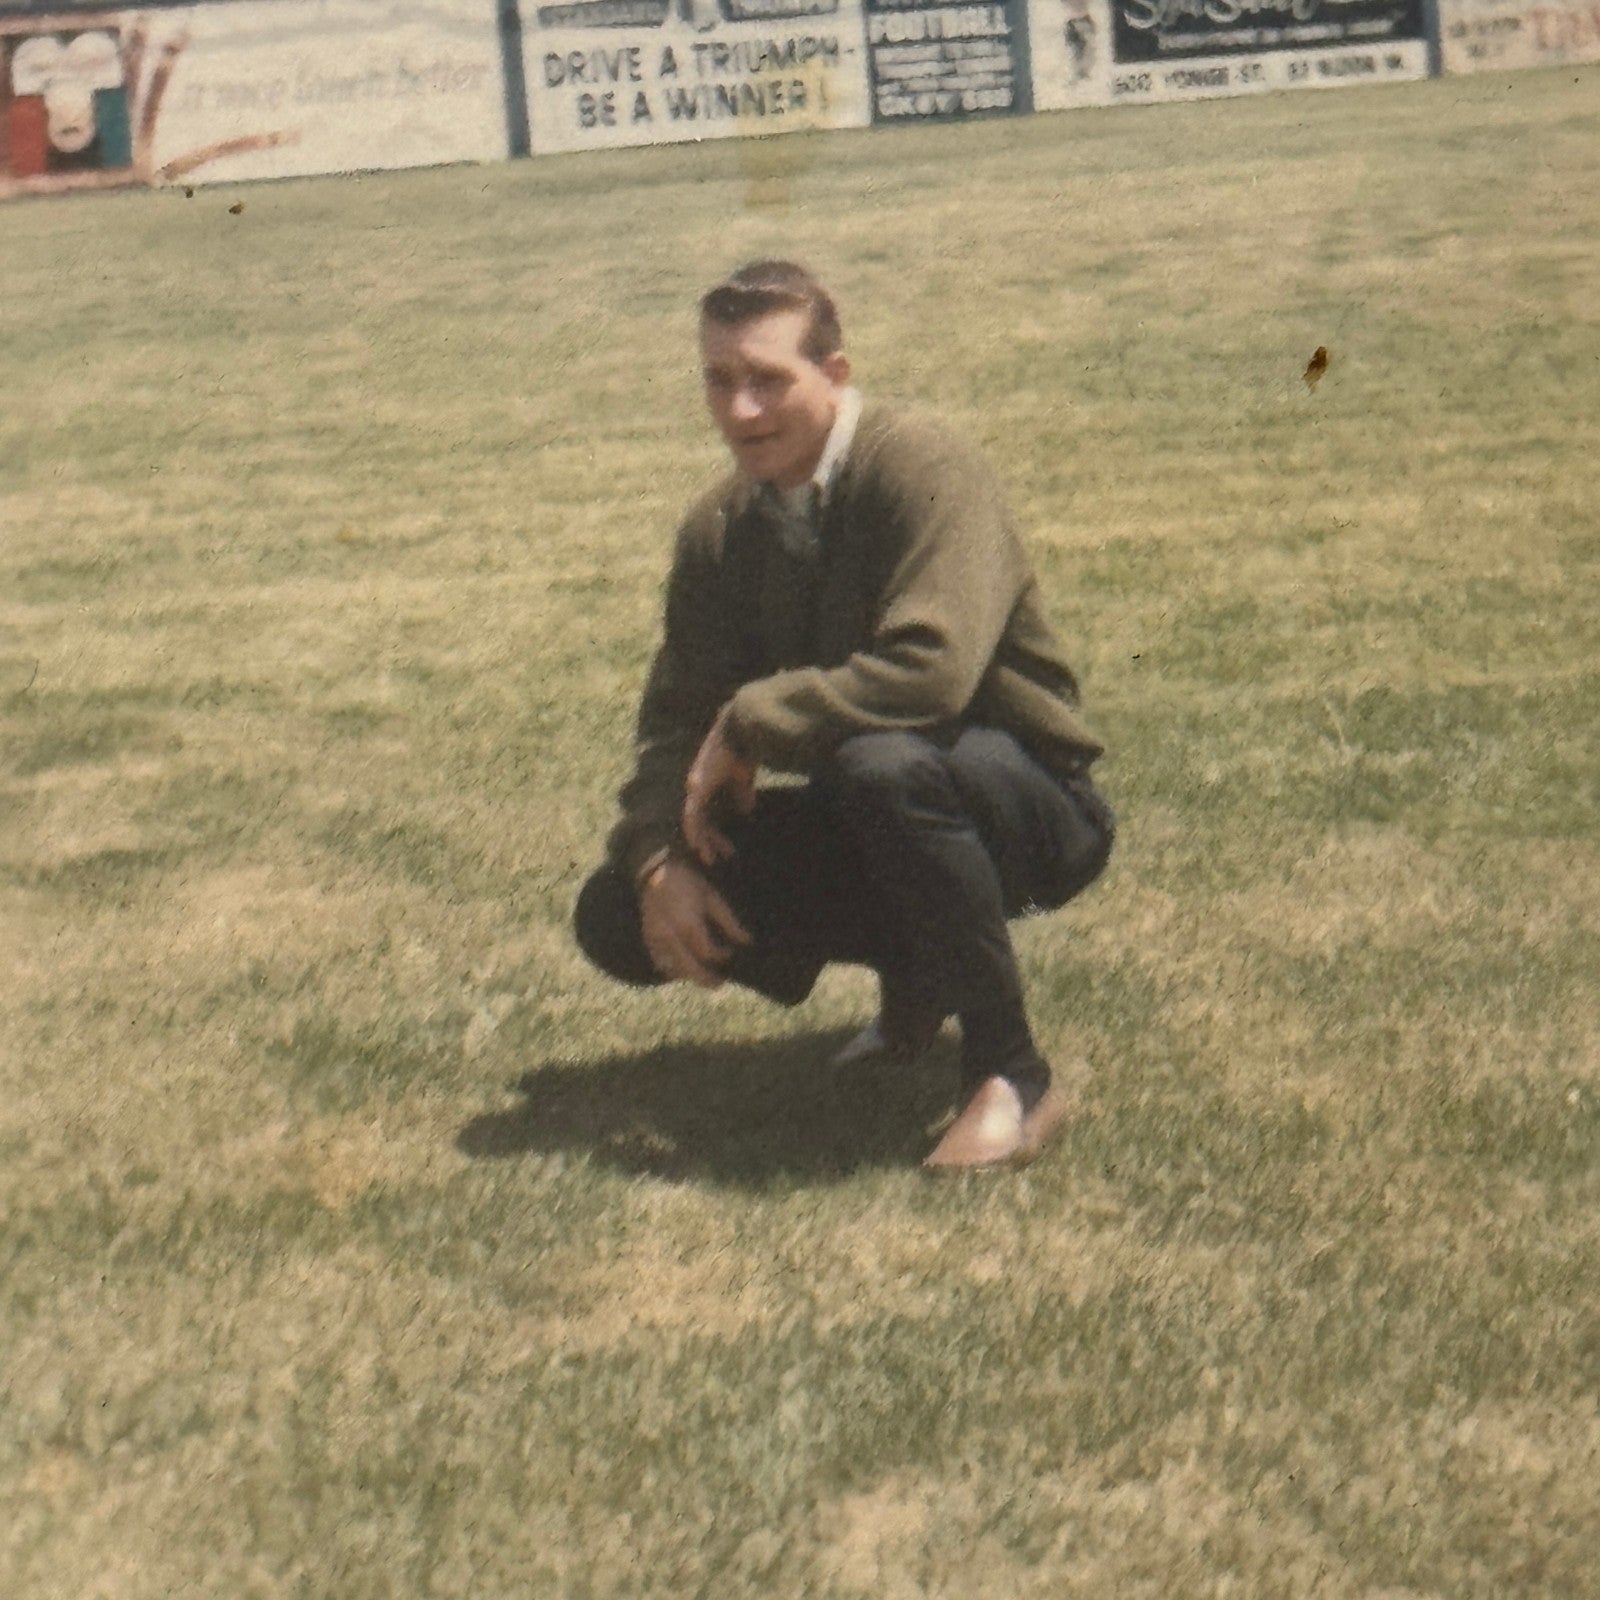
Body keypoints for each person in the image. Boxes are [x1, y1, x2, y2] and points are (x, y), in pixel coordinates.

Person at [573, 260, 1115, 1171]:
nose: (739, 410)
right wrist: (658, 857)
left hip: (1026, 805)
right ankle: (917, 978)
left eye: (767, 380)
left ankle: (1012, 1076)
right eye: (718, 380)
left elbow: (932, 673)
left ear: (835, 374)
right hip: (888, 811)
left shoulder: (921, 464)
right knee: (613, 914)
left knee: (882, 769)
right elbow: (675, 717)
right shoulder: (721, 527)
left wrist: (751, 721)